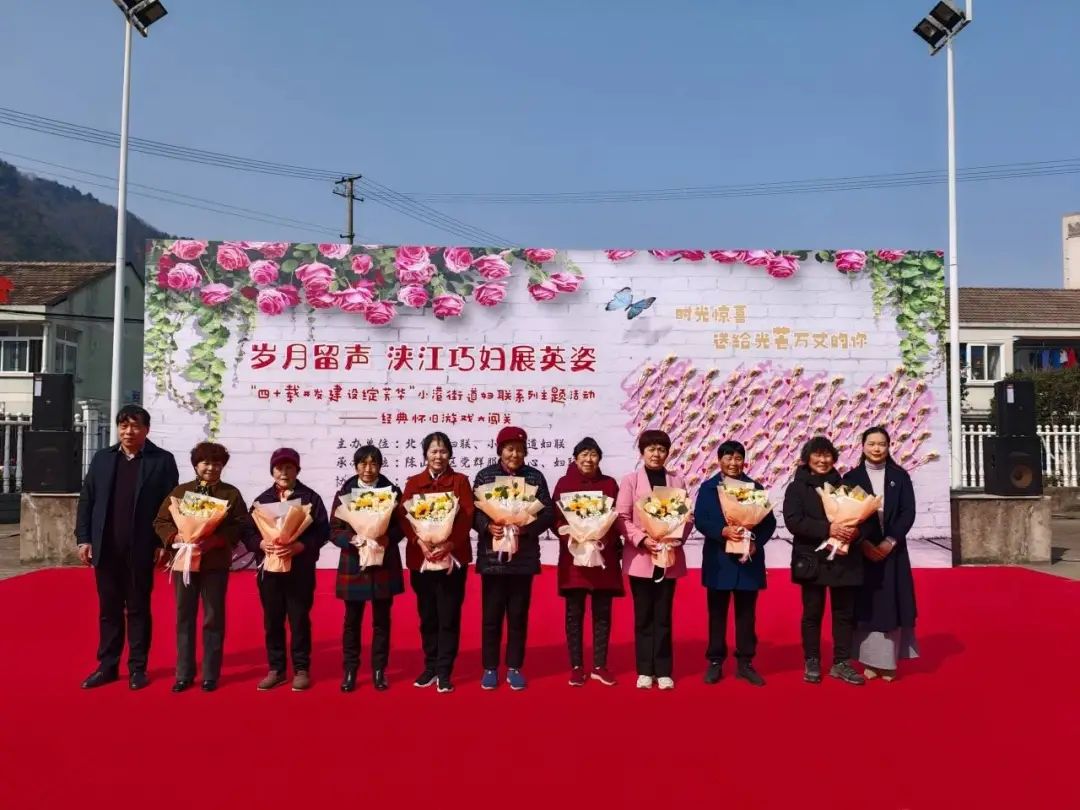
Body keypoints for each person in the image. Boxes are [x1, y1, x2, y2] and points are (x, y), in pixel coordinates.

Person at [75, 405, 179, 690]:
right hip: (106, 548)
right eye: (123, 426)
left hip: (141, 548)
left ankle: (137, 668)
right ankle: (107, 666)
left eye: (135, 426)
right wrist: (84, 538)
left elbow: (171, 506)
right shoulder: (102, 459)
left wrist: (163, 543)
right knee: (108, 610)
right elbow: (87, 500)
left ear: (146, 429)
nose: (128, 432)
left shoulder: (161, 461)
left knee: (138, 609)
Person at [154, 442, 249, 693]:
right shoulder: (181, 491)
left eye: (217, 463)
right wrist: (175, 537)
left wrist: (217, 540)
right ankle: (184, 674)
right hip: (184, 563)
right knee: (184, 617)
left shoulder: (231, 494)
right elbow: (161, 520)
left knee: (213, 617)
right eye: (206, 462)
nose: (211, 468)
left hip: (214, 564)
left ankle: (210, 674)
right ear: (196, 465)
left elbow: (241, 524)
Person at [783, 436, 869, 686]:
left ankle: (841, 662)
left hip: (843, 559)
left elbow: (865, 520)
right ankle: (812, 659)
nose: (823, 460)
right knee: (812, 612)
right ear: (807, 458)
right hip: (812, 559)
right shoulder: (796, 488)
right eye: (817, 455)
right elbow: (793, 521)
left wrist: (856, 532)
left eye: (827, 455)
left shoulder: (846, 486)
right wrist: (827, 529)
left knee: (843, 613)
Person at [473, 426, 554, 691]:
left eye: (519, 449)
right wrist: (487, 526)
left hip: (523, 558)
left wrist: (526, 528)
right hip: (492, 560)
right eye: (509, 449)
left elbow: (548, 513)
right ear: (500, 451)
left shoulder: (534, 477)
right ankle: (489, 667)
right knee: (491, 616)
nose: (514, 454)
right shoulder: (485, 476)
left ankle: (515, 666)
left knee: (518, 615)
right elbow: (474, 511)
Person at [243, 448, 329, 692]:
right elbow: (248, 532)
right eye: (279, 468)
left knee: (299, 619)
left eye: (289, 467)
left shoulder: (310, 498)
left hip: (300, 570)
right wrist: (260, 544)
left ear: (297, 470)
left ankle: (301, 669)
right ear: (272, 471)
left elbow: (323, 531)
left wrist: (302, 546)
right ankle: (276, 669)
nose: (284, 472)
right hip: (269, 570)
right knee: (272, 620)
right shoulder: (262, 500)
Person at [694, 440, 777, 687]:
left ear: (744, 461)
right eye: (728, 458)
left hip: (747, 561)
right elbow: (701, 519)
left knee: (746, 615)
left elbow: (769, 522)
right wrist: (722, 531)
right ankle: (715, 661)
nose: (733, 463)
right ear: (719, 460)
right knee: (717, 614)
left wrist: (756, 542)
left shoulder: (755, 487)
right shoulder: (708, 488)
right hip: (719, 560)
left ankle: (745, 663)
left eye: (738, 458)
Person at [615, 429, 693, 690]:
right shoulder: (631, 481)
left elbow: (687, 517)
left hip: (668, 556)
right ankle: (644, 670)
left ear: (667, 453)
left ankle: (664, 670)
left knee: (663, 615)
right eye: (651, 449)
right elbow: (622, 517)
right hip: (641, 557)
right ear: (642, 452)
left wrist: (675, 537)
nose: (656, 454)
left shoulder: (677, 481)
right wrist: (642, 539)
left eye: (661, 449)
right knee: (643, 616)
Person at [399, 431, 474, 694]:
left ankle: (444, 670)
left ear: (450, 454)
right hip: (422, 559)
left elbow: (467, 516)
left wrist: (449, 544)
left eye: (443, 451)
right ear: (425, 455)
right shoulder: (414, 482)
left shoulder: (460, 482)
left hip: (452, 558)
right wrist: (419, 542)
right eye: (433, 451)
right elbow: (404, 517)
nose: (438, 456)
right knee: (428, 615)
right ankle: (430, 666)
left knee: (448, 615)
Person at [844, 426, 919, 681]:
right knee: (867, 604)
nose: (877, 448)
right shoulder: (851, 478)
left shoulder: (900, 476)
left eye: (882, 444)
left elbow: (908, 512)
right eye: (872, 443)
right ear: (862, 446)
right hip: (862, 551)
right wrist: (864, 543)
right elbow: (846, 514)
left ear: (888, 447)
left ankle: (888, 662)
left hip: (892, 551)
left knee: (891, 604)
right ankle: (869, 660)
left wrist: (890, 541)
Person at [329, 444, 404, 692]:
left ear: (380, 466)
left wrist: (387, 538)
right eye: (363, 463)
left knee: (382, 621)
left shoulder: (392, 492)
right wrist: (353, 539)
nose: (368, 469)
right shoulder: (345, 492)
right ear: (356, 466)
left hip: (383, 562)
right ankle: (350, 670)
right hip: (354, 563)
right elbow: (334, 529)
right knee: (352, 621)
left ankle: (379, 670)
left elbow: (403, 526)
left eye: (373, 463)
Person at [552, 436, 624, 687]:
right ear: (575, 458)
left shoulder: (609, 484)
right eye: (584, 454)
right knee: (574, 613)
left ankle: (599, 665)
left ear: (599, 459)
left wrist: (603, 537)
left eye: (593, 454)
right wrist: (572, 536)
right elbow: (556, 518)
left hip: (603, 557)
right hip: (574, 557)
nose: (588, 459)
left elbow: (617, 518)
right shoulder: (564, 484)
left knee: (602, 613)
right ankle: (576, 666)